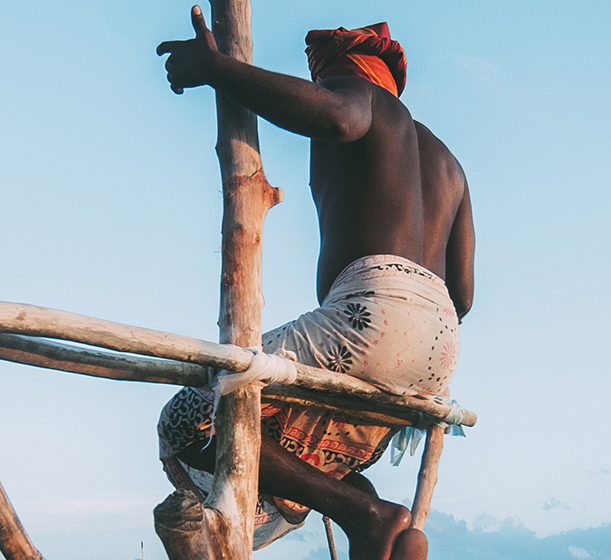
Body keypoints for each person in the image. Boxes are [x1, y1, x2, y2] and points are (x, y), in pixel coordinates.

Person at [155, 8, 474, 560]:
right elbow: (464, 295)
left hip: (373, 313)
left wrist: (216, 68)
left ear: (347, 74)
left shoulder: (365, 100)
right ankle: (383, 532)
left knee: (188, 420)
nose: (319, 89)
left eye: (321, 82)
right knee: (307, 445)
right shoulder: (448, 163)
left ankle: (366, 515)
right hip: (440, 345)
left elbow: (337, 119)